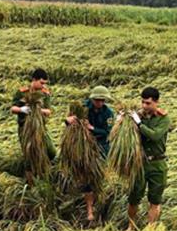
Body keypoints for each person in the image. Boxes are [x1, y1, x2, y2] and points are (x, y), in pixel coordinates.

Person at [66, 85, 114, 222]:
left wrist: (92, 128)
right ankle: (89, 210)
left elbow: (107, 132)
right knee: (86, 178)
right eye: (97, 100)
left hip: (101, 146)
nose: (99, 103)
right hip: (84, 146)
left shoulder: (108, 114)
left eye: (102, 100)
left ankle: (100, 204)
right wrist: (69, 121)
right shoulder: (82, 108)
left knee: (98, 176)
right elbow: (69, 122)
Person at [127, 86, 170, 227]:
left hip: (157, 163)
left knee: (155, 199)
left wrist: (139, 124)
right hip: (140, 163)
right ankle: (130, 227)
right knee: (134, 198)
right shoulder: (138, 116)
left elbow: (155, 135)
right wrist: (124, 119)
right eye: (143, 102)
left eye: (148, 103)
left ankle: (150, 229)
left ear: (156, 102)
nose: (144, 106)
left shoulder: (163, 119)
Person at [10, 68, 55, 181]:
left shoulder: (45, 93)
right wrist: (22, 110)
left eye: (45, 83)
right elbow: (12, 108)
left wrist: (37, 110)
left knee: (51, 151)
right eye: (41, 83)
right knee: (29, 156)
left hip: (40, 128)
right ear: (34, 80)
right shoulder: (22, 92)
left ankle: (43, 169)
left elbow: (49, 111)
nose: (43, 86)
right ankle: (30, 182)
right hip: (25, 128)